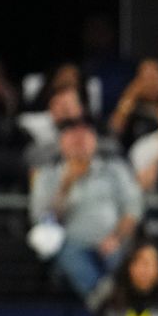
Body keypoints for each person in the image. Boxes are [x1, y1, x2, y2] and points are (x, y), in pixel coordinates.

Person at [29, 114, 143, 303]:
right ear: (61, 143)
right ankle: (104, 300)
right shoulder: (47, 176)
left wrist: (117, 237)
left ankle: (111, 297)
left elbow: (133, 207)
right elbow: (42, 223)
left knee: (125, 254)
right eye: (72, 137)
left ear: (95, 141)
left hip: (114, 239)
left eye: (84, 137)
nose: (79, 142)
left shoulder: (115, 169)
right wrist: (65, 187)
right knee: (66, 252)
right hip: (71, 244)